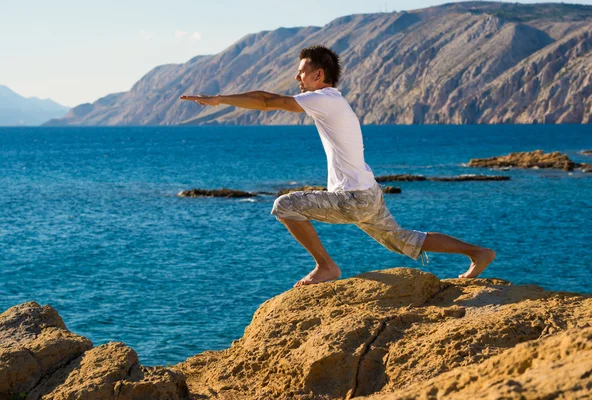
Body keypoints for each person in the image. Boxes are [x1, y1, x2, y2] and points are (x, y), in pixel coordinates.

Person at [180, 45, 496, 287]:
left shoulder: (324, 99)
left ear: (319, 75)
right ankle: (478, 252)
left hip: (354, 199)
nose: (297, 78)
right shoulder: (333, 100)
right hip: (368, 192)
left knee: (285, 205)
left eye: (302, 72)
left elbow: (266, 101)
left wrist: (218, 99)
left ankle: (326, 266)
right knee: (403, 239)